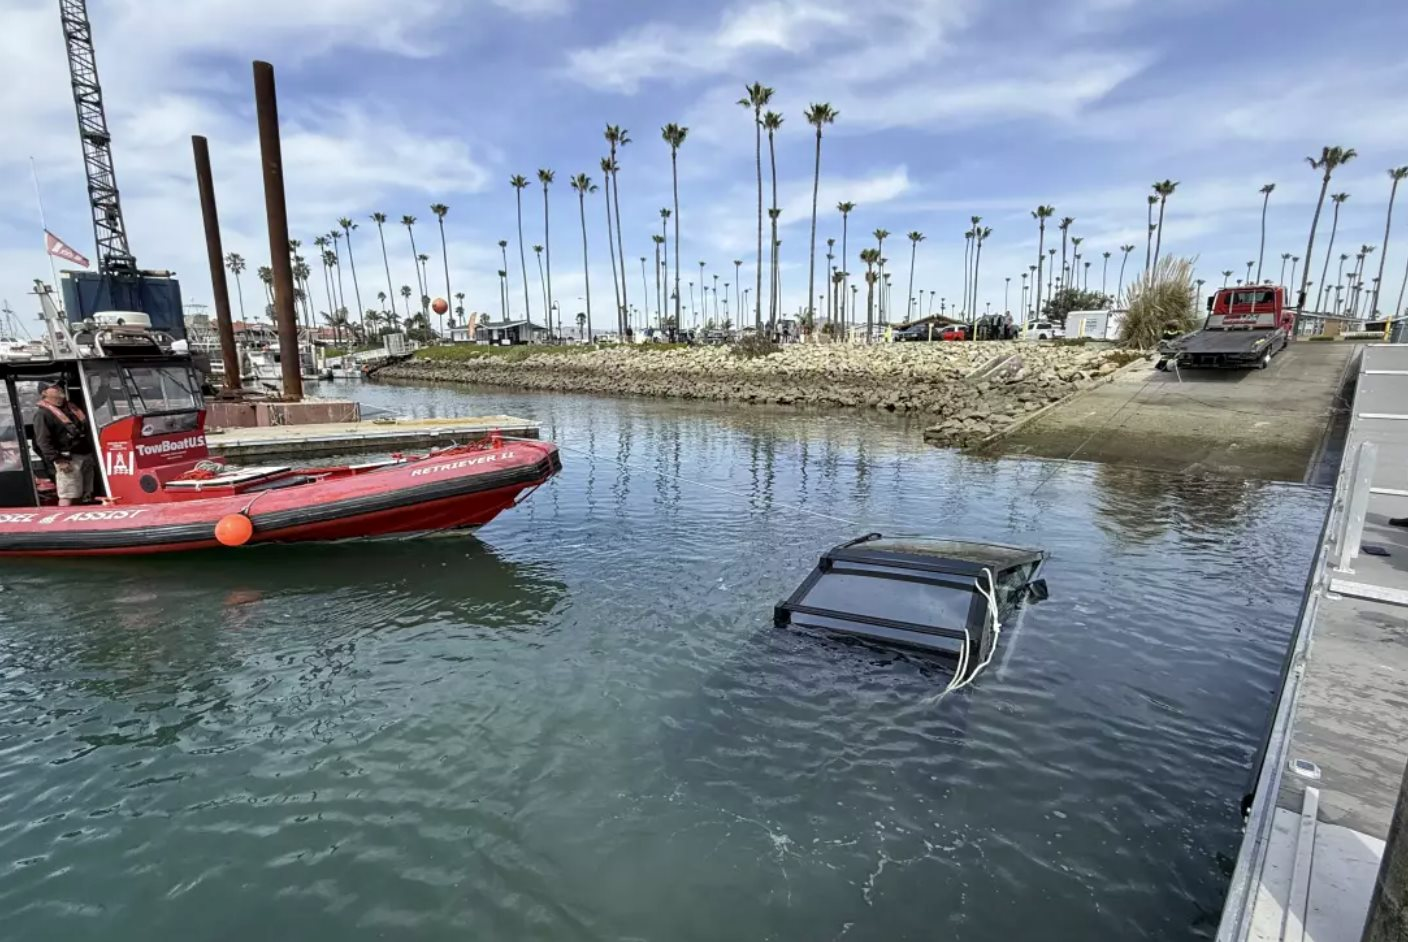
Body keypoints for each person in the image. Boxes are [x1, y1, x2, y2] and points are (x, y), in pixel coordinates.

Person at [33, 383, 95, 506]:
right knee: (68, 495)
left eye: (59, 386)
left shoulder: (71, 407)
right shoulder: (42, 414)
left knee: (83, 494)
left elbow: (96, 400)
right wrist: (58, 460)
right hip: (67, 460)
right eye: (54, 387)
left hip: (85, 455)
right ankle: (65, 520)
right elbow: (43, 441)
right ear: (44, 393)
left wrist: (104, 384)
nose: (59, 389)